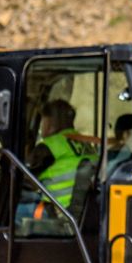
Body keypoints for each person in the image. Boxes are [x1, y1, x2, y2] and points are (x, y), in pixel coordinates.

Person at [25, 96, 98, 229]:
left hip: (58, 211)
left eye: (43, 122)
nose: (42, 127)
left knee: (8, 213)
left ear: (51, 124)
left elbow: (21, 176)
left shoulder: (50, 145)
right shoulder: (85, 143)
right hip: (84, 212)